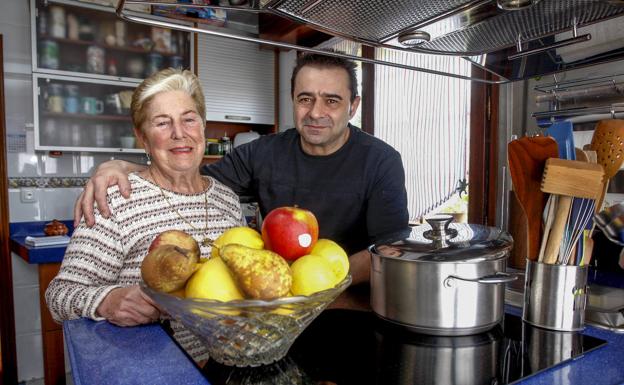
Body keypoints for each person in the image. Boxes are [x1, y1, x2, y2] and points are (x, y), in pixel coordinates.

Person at [74, 51, 410, 288]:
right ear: (293, 99)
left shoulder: (381, 161)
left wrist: (317, 286)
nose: (316, 112)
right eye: (305, 98)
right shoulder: (262, 153)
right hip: (274, 303)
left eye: (332, 101)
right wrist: (124, 165)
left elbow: (390, 249)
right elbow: (187, 175)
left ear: (353, 106)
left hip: (347, 301)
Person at [46, 68, 245, 362]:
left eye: (189, 119)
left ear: (202, 127)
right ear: (143, 138)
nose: (180, 133)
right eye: (162, 123)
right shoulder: (117, 198)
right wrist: (107, 300)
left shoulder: (227, 199)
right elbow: (59, 297)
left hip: (227, 367)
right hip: (151, 369)